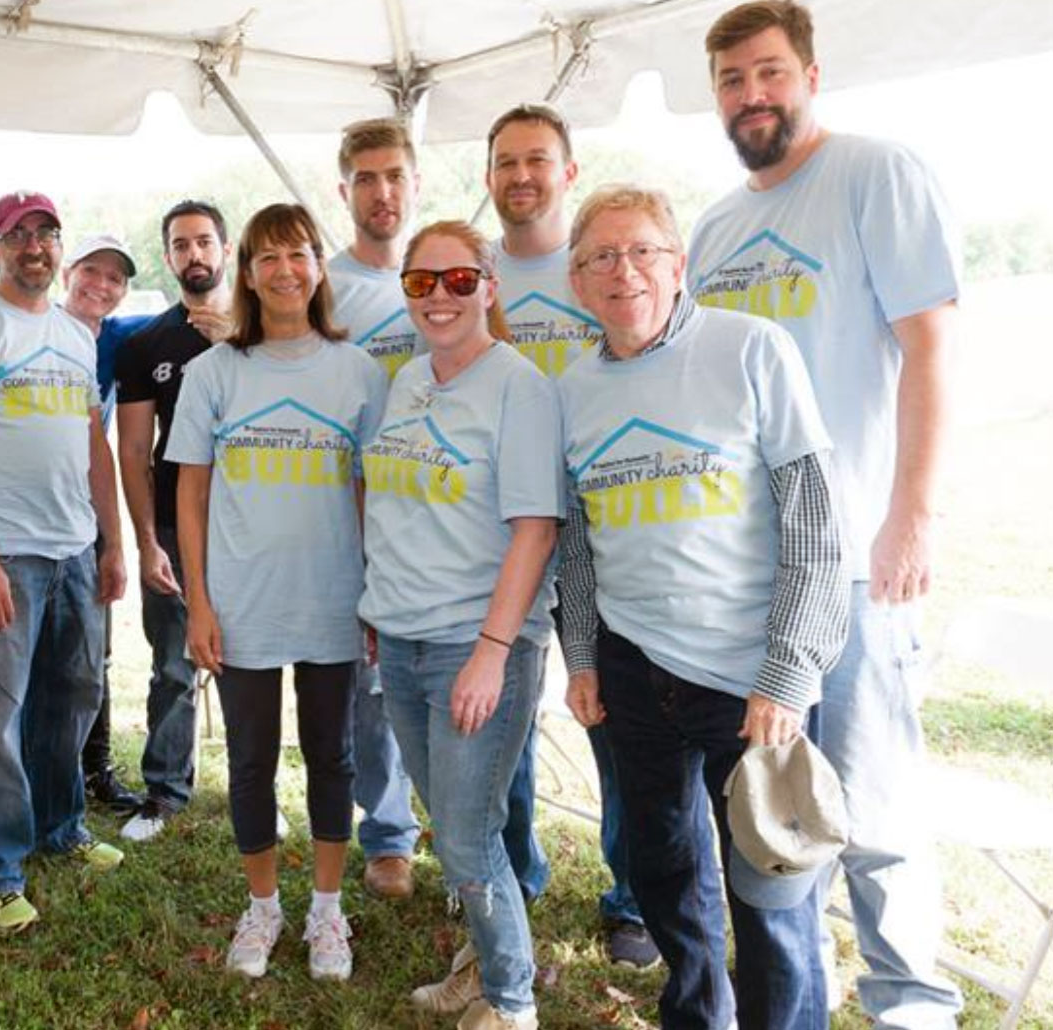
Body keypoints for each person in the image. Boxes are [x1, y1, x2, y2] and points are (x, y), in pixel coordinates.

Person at [687, 4, 965, 1024]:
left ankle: (910, 1000)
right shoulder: (713, 228)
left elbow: (929, 347)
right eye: (730, 79)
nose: (751, 95)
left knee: (873, 799)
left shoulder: (875, 175)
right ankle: (788, 990)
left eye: (768, 72)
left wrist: (912, 516)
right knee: (772, 804)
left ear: (810, 72)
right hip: (739, 575)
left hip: (850, 558)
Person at [558, 184, 848, 1030]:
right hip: (632, 672)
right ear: (577, 283)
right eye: (601, 258)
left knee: (770, 889)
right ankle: (697, 1013)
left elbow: (813, 517)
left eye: (644, 250)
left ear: (679, 264)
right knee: (663, 871)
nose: (625, 271)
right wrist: (581, 656)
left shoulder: (753, 348)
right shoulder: (572, 390)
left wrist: (788, 673)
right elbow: (576, 539)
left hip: (749, 676)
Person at [168, 203, 388, 982]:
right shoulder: (214, 373)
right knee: (252, 759)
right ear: (247, 273)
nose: (284, 270)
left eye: (298, 254)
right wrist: (197, 601)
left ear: (319, 267)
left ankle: (327, 910)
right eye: (267, 258)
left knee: (334, 757)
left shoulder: (358, 371)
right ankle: (263, 906)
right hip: (241, 602)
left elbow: (371, 494)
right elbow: (188, 497)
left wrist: (374, 595)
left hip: (332, 598)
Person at [361, 220, 563, 1030]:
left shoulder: (520, 385)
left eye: (457, 279)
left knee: (470, 837)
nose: (438, 296)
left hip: (475, 646)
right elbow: (393, 502)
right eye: (419, 282)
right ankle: (478, 967)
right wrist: (381, 603)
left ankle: (511, 1002)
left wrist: (491, 651)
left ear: (489, 285)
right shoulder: (406, 380)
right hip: (401, 638)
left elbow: (536, 528)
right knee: (453, 825)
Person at [0, 191, 127, 933]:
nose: (35, 246)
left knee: (72, 697)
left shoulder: (76, 335)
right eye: (20, 235)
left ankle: (60, 827)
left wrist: (113, 542)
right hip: (5, 552)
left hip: (75, 548)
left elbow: (94, 445)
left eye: (46, 234)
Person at [487, 102, 661, 974]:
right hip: (505, 530)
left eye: (539, 160)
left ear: (568, 171)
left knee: (616, 719)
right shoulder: (471, 276)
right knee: (504, 720)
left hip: (605, 525)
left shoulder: (602, 265)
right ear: (488, 179)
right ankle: (510, 878)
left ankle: (632, 896)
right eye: (507, 162)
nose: (523, 175)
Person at [112, 199, 233, 843]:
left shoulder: (265, 330)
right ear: (169, 257)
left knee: (252, 663)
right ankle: (164, 791)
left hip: (251, 526)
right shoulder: (146, 345)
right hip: (170, 525)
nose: (195, 254)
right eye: (182, 245)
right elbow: (133, 451)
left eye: (205, 242)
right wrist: (142, 541)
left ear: (225, 250)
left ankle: (254, 787)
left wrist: (235, 342)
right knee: (173, 663)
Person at [326, 117, 424, 900]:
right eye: (366, 178)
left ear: (415, 184)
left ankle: (476, 834)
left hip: (448, 508)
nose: (381, 191)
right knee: (371, 682)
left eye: (394, 176)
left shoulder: (449, 272)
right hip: (357, 509)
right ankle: (388, 837)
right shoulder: (327, 289)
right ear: (344, 191)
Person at [61, 232, 152, 817]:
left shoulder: (117, 337)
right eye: (90, 271)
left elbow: (185, 316)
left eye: (114, 278)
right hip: (26, 513)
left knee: (94, 650)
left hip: (90, 507)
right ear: (67, 271)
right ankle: (40, 769)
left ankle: (95, 769)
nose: (101, 285)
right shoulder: (33, 322)